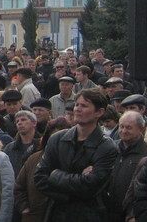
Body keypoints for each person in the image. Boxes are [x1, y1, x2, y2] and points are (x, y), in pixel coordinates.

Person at [35, 89, 118, 222]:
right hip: (56, 213)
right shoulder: (57, 139)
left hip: (89, 215)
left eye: (84, 106)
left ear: (99, 112)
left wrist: (55, 175)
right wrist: (76, 182)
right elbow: (40, 179)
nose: (77, 109)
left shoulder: (107, 147)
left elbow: (91, 187)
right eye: (77, 105)